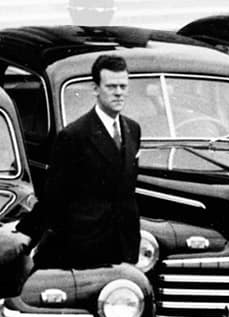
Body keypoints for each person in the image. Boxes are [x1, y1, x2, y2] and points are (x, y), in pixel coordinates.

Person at [19, 53, 143, 268]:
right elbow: (54, 197)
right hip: (86, 248)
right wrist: (25, 234)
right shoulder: (74, 136)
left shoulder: (133, 130)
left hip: (124, 245)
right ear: (95, 89)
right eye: (111, 87)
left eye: (123, 87)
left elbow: (128, 190)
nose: (118, 93)